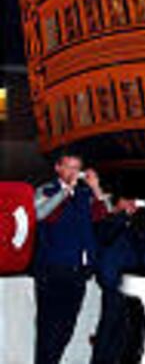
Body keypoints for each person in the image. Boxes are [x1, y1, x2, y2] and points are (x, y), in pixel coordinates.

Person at [33, 154, 110, 364]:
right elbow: (40, 214)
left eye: (78, 168)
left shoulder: (84, 195)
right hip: (53, 270)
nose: (74, 173)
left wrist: (95, 187)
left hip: (78, 272)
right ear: (58, 168)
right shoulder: (46, 191)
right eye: (69, 167)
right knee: (49, 329)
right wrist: (65, 191)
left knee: (66, 329)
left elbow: (107, 213)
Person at [91, 195, 142, 364]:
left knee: (121, 333)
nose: (131, 204)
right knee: (108, 330)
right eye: (127, 201)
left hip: (128, 284)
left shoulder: (132, 224)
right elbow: (105, 238)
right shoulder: (107, 220)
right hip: (112, 282)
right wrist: (122, 216)